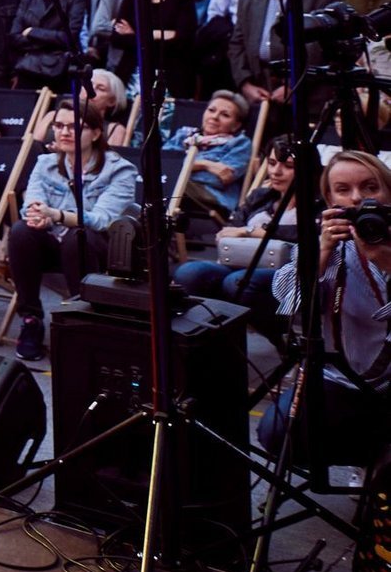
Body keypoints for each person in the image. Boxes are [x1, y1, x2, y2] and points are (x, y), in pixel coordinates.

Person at [261, 150, 391, 468]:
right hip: (341, 377)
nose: (358, 198)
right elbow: (289, 303)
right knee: (276, 434)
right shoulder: (328, 243)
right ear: (329, 198)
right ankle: (372, 459)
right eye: (343, 190)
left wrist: (383, 260)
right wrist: (320, 253)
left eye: (370, 187)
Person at [7, 100, 139, 360]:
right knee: (22, 231)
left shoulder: (119, 170)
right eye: (59, 126)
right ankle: (31, 320)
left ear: (96, 133)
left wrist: (55, 216)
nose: (64, 132)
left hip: (96, 248)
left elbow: (103, 220)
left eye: (74, 127)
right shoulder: (45, 163)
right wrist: (39, 217)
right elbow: (31, 206)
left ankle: (83, 321)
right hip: (52, 243)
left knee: (78, 236)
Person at [173, 134, 297, 333]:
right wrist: (231, 233)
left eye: (288, 166)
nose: (276, 171)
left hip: (286, 270)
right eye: (272, 163)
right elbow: (231, 227)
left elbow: (305, 234)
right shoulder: (260, 196)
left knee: (238, 282)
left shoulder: (316, 205)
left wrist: (254, 232)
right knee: (189, 273)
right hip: (240, 263)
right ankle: (208, 337)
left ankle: (278, 336)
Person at [229, 0, 341, 110]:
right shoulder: (249, 1)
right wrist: (245, 84)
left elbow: (320, 52)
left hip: (307, 96)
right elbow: (237, 45)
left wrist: (294, 85)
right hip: (261, 92)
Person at [112, 0, 198, 99]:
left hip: (173, 74)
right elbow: (117, 39)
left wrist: (137, 34)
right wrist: (162, 35)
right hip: (135, 73)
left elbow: (183, 40)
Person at [164, 90, 252, 224]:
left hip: (212, 198)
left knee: (171, 183)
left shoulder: (239, 143)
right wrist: (205, 164)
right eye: (211, 110)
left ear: (236, 125)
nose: (215, 117)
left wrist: (183, 168)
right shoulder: (184, 135)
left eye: (225, 115)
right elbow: (163, 163)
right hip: (178, 192)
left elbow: (216, 180)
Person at [10, 0, 85, 95]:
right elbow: (15, 36)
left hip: (61, 71)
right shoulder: (28, 0)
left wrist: (32, 32)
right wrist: (51, 39)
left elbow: (69, 37)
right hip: (29, 71)